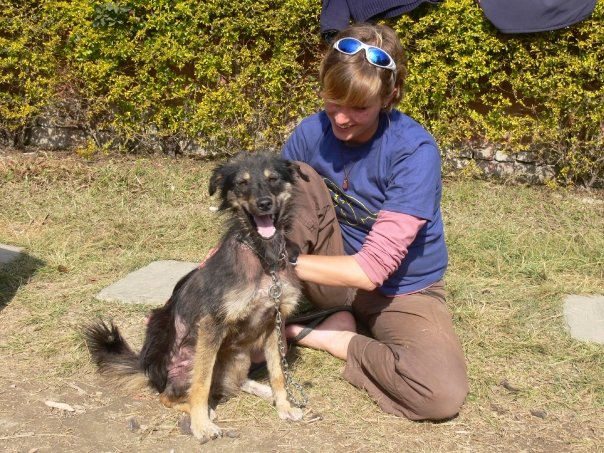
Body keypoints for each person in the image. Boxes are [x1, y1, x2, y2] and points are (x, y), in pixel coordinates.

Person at [280, 22, 469, 421]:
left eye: (360, 107)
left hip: (400, 289)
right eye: (333, 101)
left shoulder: (414, 151)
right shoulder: (310, 133)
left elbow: (372, 270)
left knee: (439, 393)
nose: (342, 119)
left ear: (389, 96)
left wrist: (276, 262)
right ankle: (272, 314)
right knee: (294, 177)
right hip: (327, 276)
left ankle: (337, 336)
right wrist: (229, 264)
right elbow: (266, 213)